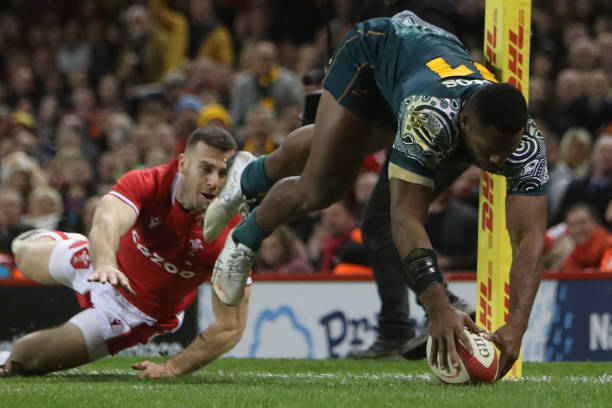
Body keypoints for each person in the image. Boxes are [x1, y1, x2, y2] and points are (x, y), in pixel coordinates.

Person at [204, 12, 549, 378]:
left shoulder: (525, 144)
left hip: (422, 68)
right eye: (489, 149)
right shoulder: (427, 119)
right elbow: (403, 216)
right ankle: (243, 239)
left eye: (506, 151)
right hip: (374, 53)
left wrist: (518, 324)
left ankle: (249, 172)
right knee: (321, 188)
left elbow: (529, 238)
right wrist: (437, 304)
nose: (497, 160)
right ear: (465, 123)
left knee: (338, 142)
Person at [0, 126, 249, 378]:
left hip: (131, 312)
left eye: (222, 173)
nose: (213, 181)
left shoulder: (233, 237)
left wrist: (173, 367)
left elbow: (231, 326)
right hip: (103, 264)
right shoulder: (149, 182)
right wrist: (106, 263)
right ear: (184, 164)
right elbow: (106, 220)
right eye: (205, 169)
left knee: (24, 360)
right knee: (23, 251)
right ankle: (75, 242)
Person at [560, 203, 612, 272]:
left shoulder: (609, 246)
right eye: (572, 225)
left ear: (596, 222)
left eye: (582, 222)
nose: (578, 229)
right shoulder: (571, 255)